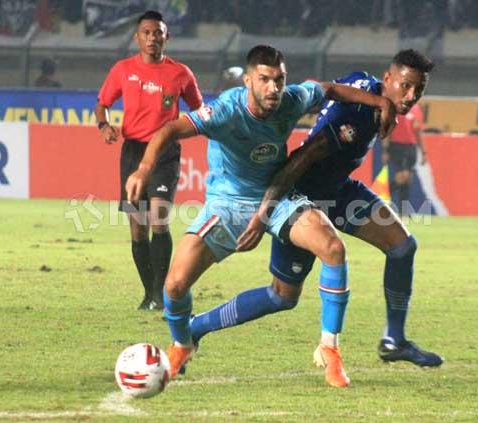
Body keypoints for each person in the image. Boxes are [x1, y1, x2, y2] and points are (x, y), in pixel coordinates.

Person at [125, 44, 396, 386]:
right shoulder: (226, 111)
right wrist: (144, 169)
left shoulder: (292, 99)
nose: (274, 88)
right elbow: (170, 130)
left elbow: (329, 89)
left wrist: (381, 102)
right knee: (175, 285)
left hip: (277, 196)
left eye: (279, 80)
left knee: (333, 249)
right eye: (265, 80)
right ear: (249, 80)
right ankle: (183, 343)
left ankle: (329, 349)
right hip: (228, 203)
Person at [190, 49, 443, 387]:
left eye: (418, 90)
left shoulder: (363, 84)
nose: (410, 97)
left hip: (339, 191)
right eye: (405, 86)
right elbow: (299, 159)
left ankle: (393, 340)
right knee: (282, 296)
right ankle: (196, 327)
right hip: (303, 195)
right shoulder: (352, 118)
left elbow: (328, 86)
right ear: (388, 79)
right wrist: (265, 213)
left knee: (402, 246)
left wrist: (383, 104)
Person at [94, 10, 203, 311]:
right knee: (137, 227)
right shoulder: (122, 70)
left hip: (165, 152)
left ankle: (160, 292)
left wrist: (187, 129)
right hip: (132, 152)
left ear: (167, 36)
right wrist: (104, 127)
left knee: (159, 220)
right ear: (137, 37)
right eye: (146, 32)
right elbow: (102, 104)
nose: (152, 37)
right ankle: (148, 293)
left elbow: (199, 109)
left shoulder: (181, 73)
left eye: (158, 32)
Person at [384, 102, 427, 216]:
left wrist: (423, 152)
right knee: (402, 176)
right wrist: (386, 149)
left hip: (411, 147)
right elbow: (389, 129)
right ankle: (381, 195)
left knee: (408, 180)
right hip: (397, 145)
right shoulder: (397, 107)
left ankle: (404, 211)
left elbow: (418, 131)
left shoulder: (416, 109)